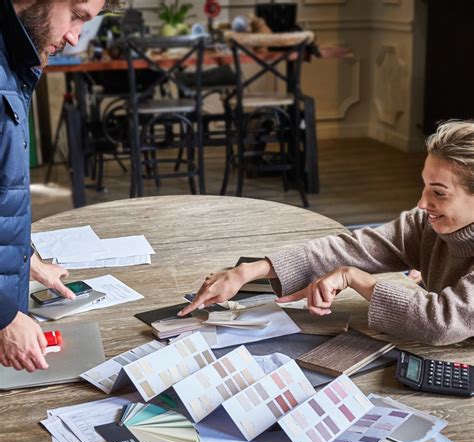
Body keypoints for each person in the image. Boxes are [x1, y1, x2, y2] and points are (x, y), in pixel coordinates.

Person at [180, 120, 474, 346]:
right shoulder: (426, 224)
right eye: (424, 186)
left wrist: (355, 277)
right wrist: (248, 271)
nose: (423, 203)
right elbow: (352, 248)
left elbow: (440, 322)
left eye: (439, 193)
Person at [0, 0, 119, 373]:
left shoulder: (12, 60)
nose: (74, 36)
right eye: (77, 16)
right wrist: (4, 318)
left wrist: (27, 258)